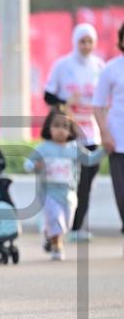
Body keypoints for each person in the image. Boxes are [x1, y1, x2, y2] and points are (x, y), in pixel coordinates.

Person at [44, 23, 105, 241]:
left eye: (90, 42)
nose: (86, 46)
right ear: (75, 42)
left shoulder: (100, 66)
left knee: (86, 182)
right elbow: (48, 95)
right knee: (63, 180)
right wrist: (66, 101)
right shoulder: (62, 66)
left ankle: (77, 228)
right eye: (82, 41)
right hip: (67, 134)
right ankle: (54, 226)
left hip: (91, 132)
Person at [24, 107, 105, 261]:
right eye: (56, 125)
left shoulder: (74, 148)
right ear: (48, 128)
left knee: (65, 223)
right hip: (48, 193)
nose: (61, 130)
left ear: (71, 130)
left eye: (65, 126)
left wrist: (105, 150)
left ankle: (49, 235)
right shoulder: (43, 148)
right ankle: (57, 247)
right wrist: (34, 166)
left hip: (68, 194)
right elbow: (28, 164)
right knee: (56, 218)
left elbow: (89, 159)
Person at [93, 22, 124, 238]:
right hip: (118, 139)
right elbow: (98, 105)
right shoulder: (111, 68)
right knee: (122, 194)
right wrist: (104, 133)